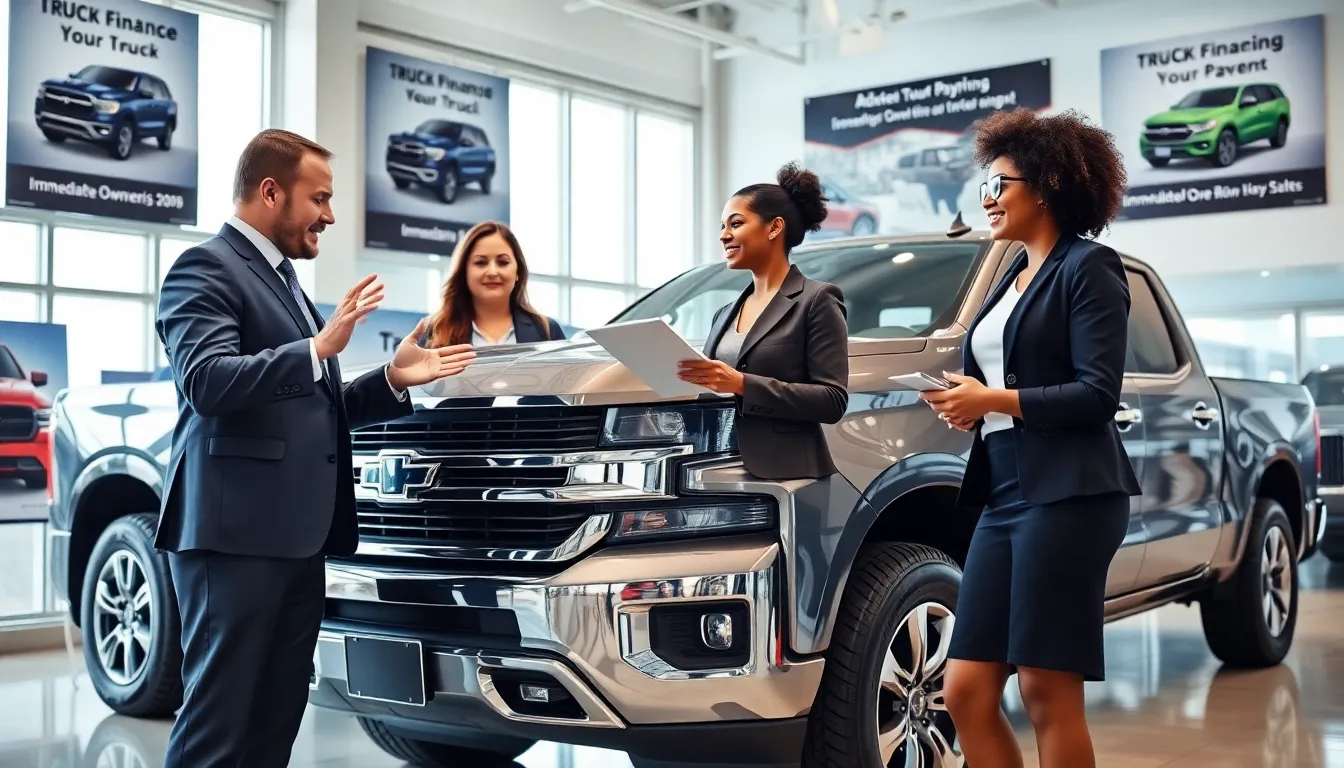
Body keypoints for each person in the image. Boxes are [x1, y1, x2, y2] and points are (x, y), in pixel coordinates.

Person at [154, 128, 476, 768]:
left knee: (273, 724)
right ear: (271, 192)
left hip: (296, 541)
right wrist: (315, 349)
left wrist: (391, 380)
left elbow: (313, 407)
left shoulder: (284, 283)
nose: (329, 215)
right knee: (217, 729)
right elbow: (206, 381)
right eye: (320, 198)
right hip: (233, 542)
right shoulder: (206, 267)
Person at [918, 108, 1140, 768]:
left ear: (1045, 185)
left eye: (999, 185)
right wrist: (973, 409)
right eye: (981, 187)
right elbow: (1004, 381)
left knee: (1047, 687)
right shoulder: (1008, 282)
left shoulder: (1089, 267)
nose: (986, 199)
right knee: (965, 690)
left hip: (1071, 492)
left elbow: (1098, 393)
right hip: (1006, 491)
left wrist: (996, 399)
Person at [675, 162, 849, 481]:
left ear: (774, 227)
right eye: (722, 226)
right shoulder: (724, 313)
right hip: (714, 468)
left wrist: (742, 384)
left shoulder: (817, 299)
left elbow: (832, 400)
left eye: (736, 223)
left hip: (788, 473)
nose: (723, 235)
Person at [425, 220, 565, 348]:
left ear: (518, 272)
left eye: (503, 262)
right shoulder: (435, 331)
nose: (492, 272)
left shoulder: (547, 331)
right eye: (480, 262)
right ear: (464, 272)